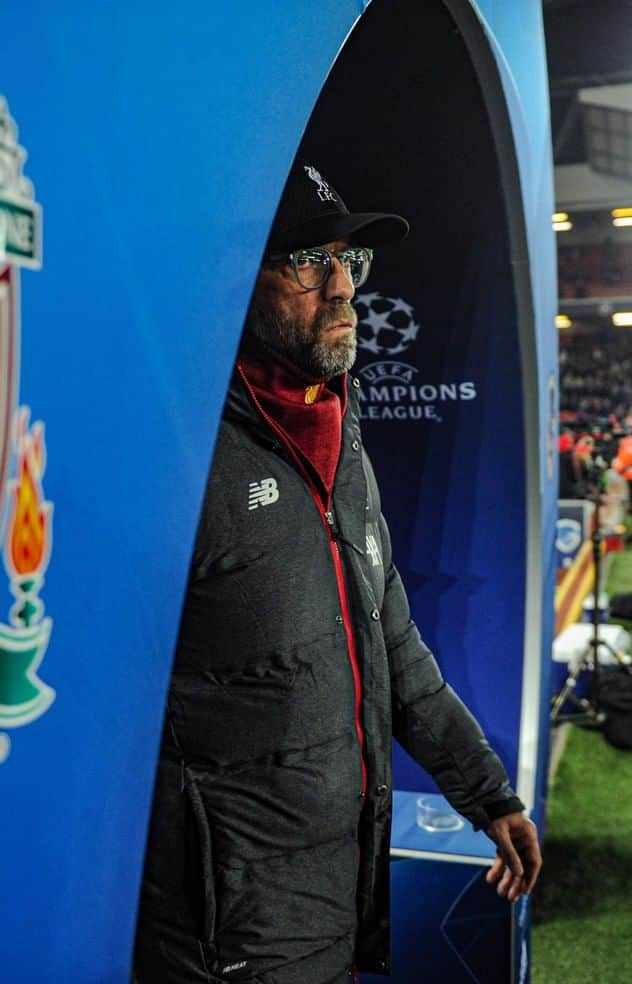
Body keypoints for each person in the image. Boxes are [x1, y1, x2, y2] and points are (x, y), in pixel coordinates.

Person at [134, 162, 541, 983]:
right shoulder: (170, 453)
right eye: (306, 261)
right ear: (231, 280)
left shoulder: (339, 432)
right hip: (225, 926)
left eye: (348, 262)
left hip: (336, 888)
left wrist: (488, 793)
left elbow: (395, 648)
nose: (341, 287)